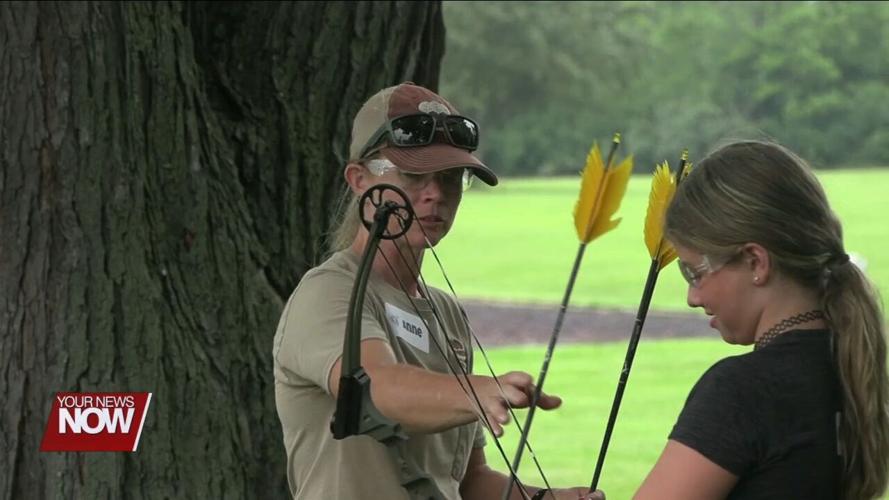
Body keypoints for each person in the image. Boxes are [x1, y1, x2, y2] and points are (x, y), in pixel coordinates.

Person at [272, 82, 602, 500]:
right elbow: (376, 388)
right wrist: (476, 390)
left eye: (449, 178)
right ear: (359, 179)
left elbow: (468, 481)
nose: (435, 194)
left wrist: (546, 499)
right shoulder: (328, 293)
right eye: (413, 175)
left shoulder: (445, 312)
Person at [629, 141, 889, 499]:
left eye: (694, 273)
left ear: (755, 262)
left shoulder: (742, 391)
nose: (693, 297)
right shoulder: (846, 359)